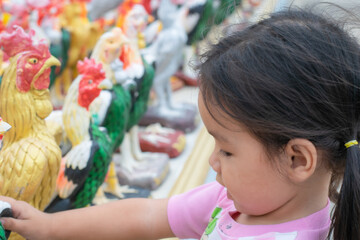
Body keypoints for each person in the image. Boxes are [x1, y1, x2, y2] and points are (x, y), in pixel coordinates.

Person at [1, 9, 359, 240]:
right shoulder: (235, 201)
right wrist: (49, 227)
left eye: (227, 150)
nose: (212, 161)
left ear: (297, 159)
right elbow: (147, 215)